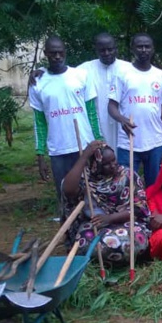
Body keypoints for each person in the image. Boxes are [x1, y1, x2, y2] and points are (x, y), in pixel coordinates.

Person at [28, 36, 103, 210]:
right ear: (46, 54)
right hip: (58, 149)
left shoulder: (81, 75)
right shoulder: (38, 82)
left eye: (60, 52)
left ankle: (91, 230)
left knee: (90, 192)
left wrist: (99, 141)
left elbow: (92, 112)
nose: (57, 56)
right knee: (64, 194)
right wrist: (40, 155)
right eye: (52, 53)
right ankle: (67, 230)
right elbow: (39, 122)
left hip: (84, 145)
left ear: (65, 52)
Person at [61, 141, 150, 263]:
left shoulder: (127, 176)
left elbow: (140, 209)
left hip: (125, 222)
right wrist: (84, 156)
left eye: (114, 160)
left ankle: (117, 256)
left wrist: (109, 218)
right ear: (95, 165)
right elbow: (68, 190)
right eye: (106, 164)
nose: (113, 165)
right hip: (94, 225)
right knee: (86, 243)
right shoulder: (86, 179)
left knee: (131, 241)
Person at [108, 33, 162, 187]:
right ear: (132, 49)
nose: (144, 50)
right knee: (127, 186)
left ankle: (152, 212)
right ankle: (131, 212)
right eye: (139, 46)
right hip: (128, 142)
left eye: (147, 46)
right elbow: (111, 106)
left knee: (155, 186)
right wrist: (122, 119)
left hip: (155, 142)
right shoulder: (122, 74)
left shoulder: (161, 76)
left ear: (153, 49)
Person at [76, 33, 133, 151]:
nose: (107, 53)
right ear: (96, 50)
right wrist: (42, 72)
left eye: (110, 49)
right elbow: (62, 76)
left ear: (116, 48)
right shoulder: (85, 69)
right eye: (102, 50)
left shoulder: (129, 69)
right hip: (98, 125)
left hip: (123, 125)